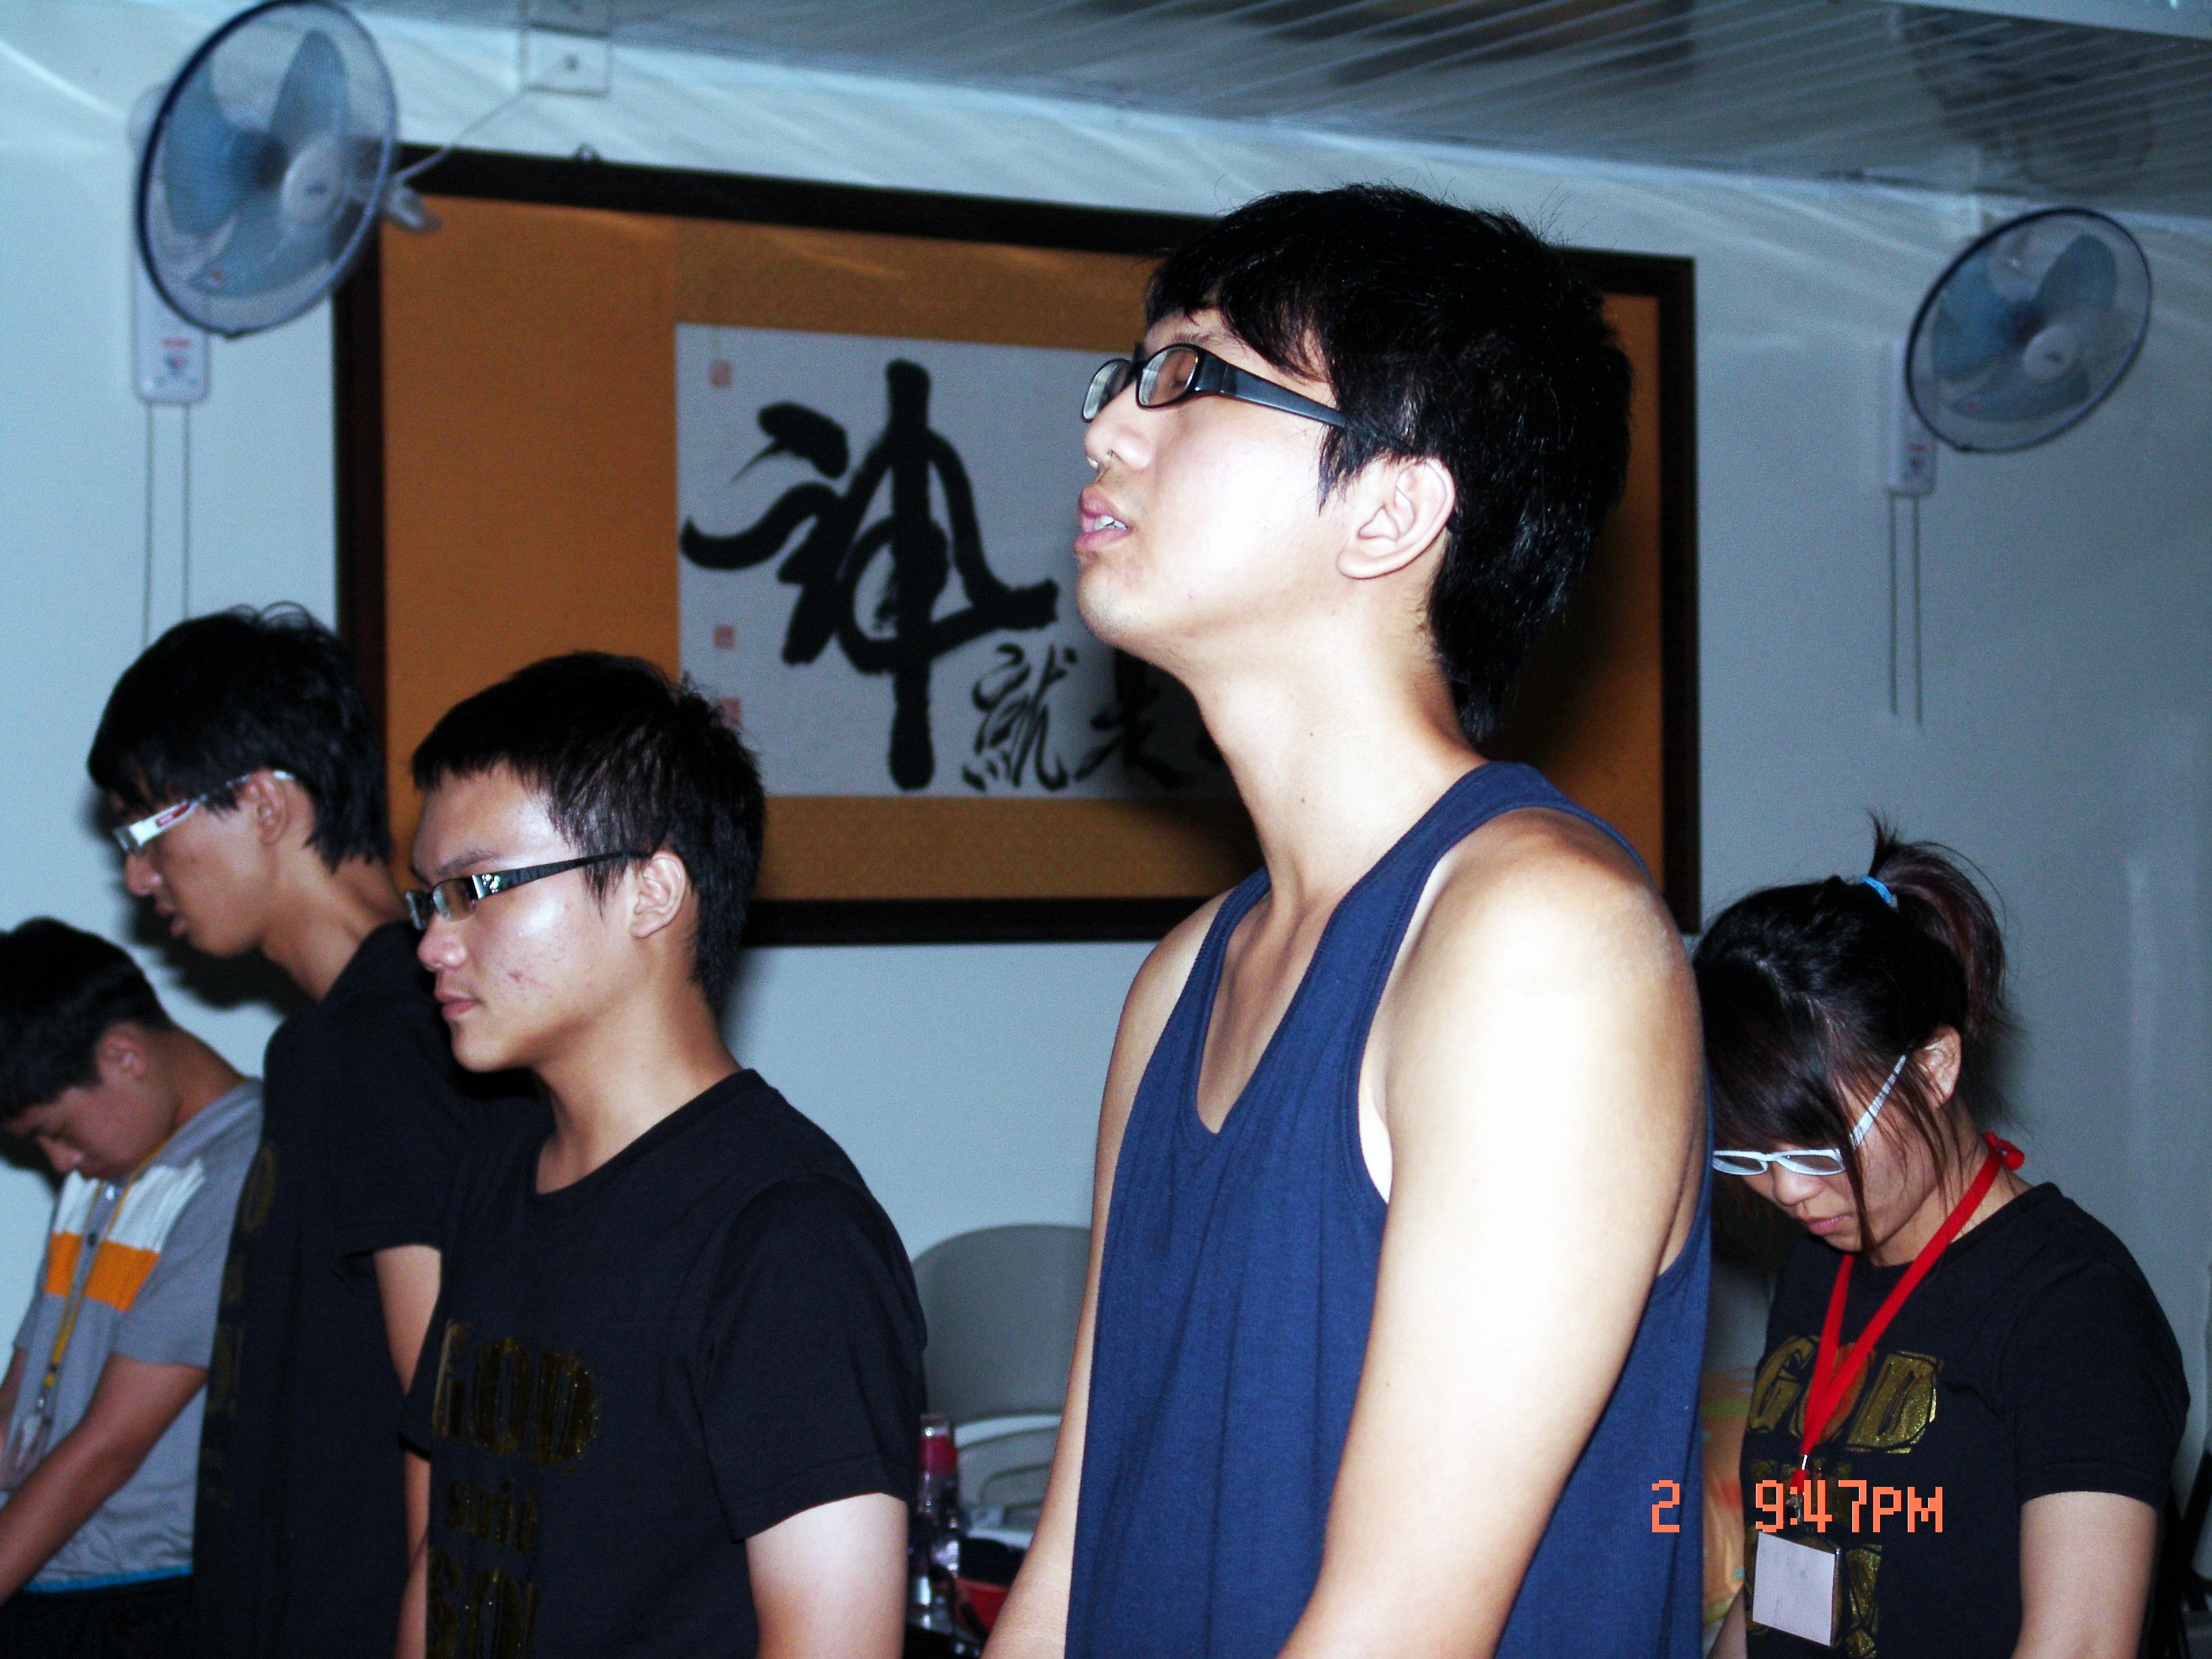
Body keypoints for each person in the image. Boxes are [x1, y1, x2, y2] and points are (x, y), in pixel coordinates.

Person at [985, 185, 1710, 1659]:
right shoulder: (1183, 977)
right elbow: (1071, 1567)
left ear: (1389, 509)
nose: (1108, 424)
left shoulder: (1541, 944)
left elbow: (1399, 1626)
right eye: (1126, 374)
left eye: (1189, 374)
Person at [398, 652, 924, 1659]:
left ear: (651, 891)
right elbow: (452, 1549)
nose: (434, 943)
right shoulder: (496, 1171)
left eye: (477, 888)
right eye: (431, 898)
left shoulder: (788, 1238)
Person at [86, 606, 506, 1659]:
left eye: (146, 829)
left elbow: (447, 1413)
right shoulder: (326, 1042)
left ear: (266, 803)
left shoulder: (392, 1038)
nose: (139, 876)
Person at [1700, 832, 2186, 1659]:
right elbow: (1781, 1583)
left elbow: (2080, 1643)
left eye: (1818, 1148)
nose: (1787, 1191)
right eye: (1750, 1154)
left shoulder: (2073, 1306)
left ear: (1933, 1069)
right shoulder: (1820, 1265)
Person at [0, 919, 260, 1655]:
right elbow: (22, 1398)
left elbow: (109, 1447)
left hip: (143, 1604)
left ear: (123, 1055)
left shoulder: (239, 1172)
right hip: (45, 1580)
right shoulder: (107, 1171)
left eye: (58, 1132)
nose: (59, 1163)